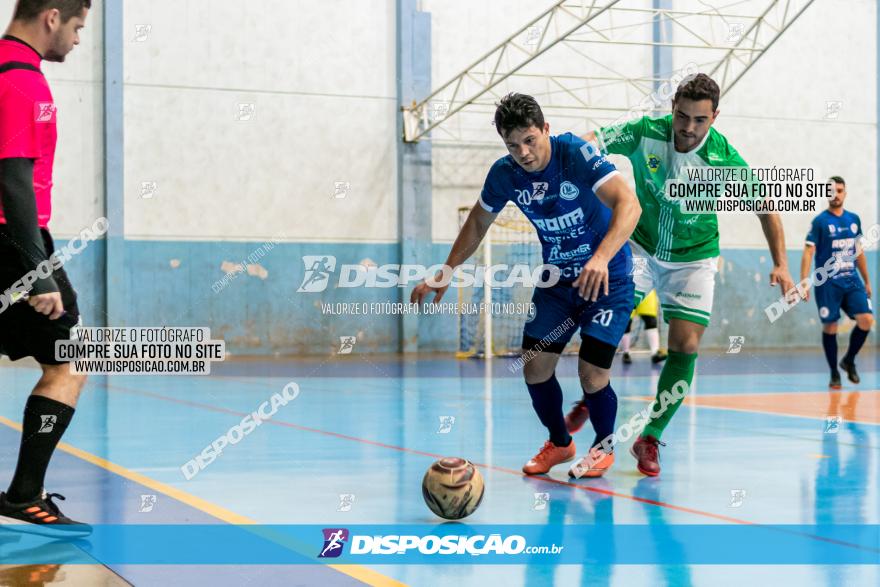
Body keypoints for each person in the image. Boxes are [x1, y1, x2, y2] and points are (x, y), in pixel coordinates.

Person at [412, 93, 641, 478]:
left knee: (591, 372)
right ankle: (561, 443)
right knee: (534, 367)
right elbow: (479, 222)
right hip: (557, 281)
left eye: (530, 140)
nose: (524, 152)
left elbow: (628, 204)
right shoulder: (505, 174)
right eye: (512, 144)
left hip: (608, 277)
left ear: (546, 130)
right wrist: (447, 269)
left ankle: (603, 449)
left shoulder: (575, 154)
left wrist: (600, 258)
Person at [582, 73, 796, 476]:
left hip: (694, 256)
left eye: (700, 120)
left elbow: (767, 208)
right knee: (604, 325)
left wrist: (782, 264)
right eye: (682, 116)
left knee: (685, 345)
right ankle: (590, 397)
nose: (688, 127)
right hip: (641, 248)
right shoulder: (645, 132)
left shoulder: (724, 160)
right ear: (672, 109)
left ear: (714, 116)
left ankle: (650, 435)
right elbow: (593, 138)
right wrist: (565, 152)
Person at [0, 0, 91, 537]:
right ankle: (24, 495)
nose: (78, 39)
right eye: (78, 27)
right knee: (69, 361)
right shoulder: (21, 83)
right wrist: (39, 271)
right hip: (13, 242)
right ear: (52, 16)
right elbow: (12, 180)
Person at [800, 176, 873, 389]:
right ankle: (834, 372)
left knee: (866, 320)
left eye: (839, 190)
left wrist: (867, 280)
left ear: (845, 193)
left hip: (852, 280)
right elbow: (808, 251)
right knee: (831, 326)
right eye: (832, 190)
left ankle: (849, 360)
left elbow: (859, 253)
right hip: (827, 283)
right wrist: (805, 281)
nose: (836, 194)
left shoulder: (853, 219)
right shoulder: (820, 222)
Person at [619, 289, 667, 364]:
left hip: (648, 291)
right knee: (626, 322)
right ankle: (626, 353)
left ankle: (655, 353)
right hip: (631, 290)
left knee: (651, 321)